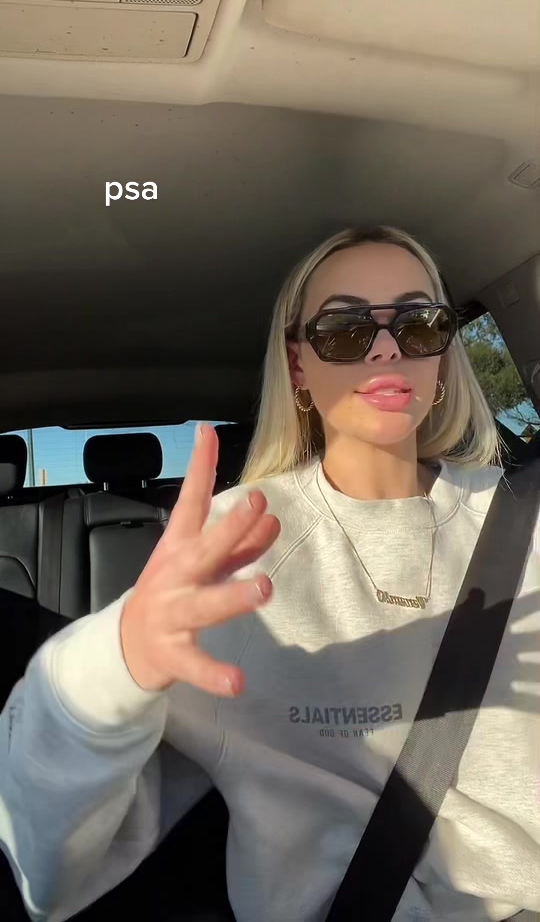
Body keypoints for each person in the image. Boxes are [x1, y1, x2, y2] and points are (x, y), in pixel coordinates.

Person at [1, 226, 538, 922]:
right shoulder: (240, 540)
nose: (387, 348)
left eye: (418, 322)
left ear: (443, 351)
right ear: (297, 366)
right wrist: (115, 661)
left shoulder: (524, 514)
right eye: (345, 329)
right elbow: (49, 872)